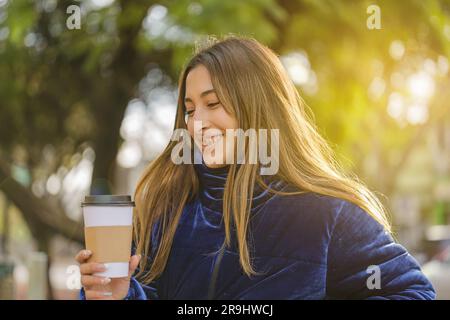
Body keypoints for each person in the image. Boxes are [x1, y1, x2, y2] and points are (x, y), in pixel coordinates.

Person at [76, 36, 435, 300]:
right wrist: (112, 295)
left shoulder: (325, 215)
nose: (196, 123)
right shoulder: (163, 214)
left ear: (255, 106)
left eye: (212, 103)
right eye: (189, 109)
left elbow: (414, 293)